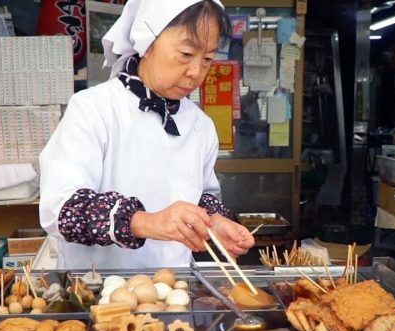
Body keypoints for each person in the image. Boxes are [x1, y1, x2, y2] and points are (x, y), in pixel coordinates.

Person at [39, 0, 254, 269]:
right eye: (186, 54)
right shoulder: (94, 109)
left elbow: (198, 195)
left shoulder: (200, 125)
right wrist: (145, 222)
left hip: (174, 291)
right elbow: (61, 210)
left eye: (208, 59)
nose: (196, 72)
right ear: (147, 42)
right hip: (97, 292)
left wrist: (213, 222)